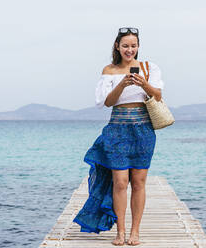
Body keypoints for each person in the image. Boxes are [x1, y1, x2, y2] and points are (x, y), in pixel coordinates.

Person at [72, 27, 165, 246]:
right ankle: (120, 232)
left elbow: (159, 95)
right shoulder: (110, 70)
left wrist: (143, 83)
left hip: (142, 131)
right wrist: (123, 84)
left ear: (138, 47)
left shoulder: (149, 68)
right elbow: (106, 102)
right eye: (125, 46)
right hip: (117, 130)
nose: (129, 50)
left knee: (139, 182)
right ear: (117, 46)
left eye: (133, 46)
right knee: (120, 182)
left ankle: (135, 232)